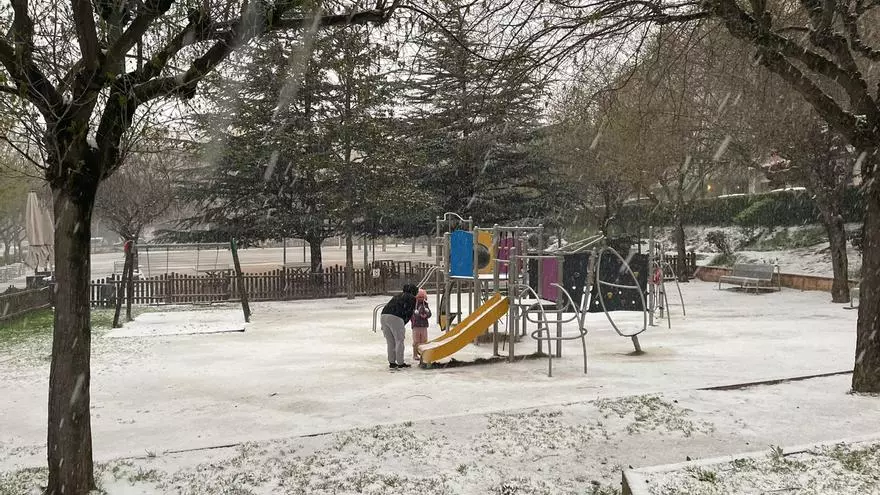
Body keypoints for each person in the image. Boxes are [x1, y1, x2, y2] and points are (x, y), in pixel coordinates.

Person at [381, 284, 418, 369]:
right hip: (396, 317)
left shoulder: (397, 295)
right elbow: (409, 312)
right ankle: (400, 363)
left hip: (384, 315)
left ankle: (392, 362)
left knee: (390, 341)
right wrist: (403, 323)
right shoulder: (412, 298)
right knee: (399, 341)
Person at [410, 289, 432, 360]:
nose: (420, 299)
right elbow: (411, 314)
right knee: (416, 341)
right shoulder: (413, 305)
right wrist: (417, 315)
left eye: (422, 297)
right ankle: (415, 354)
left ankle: (423, 353)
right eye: (419, 297)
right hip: (416, 325)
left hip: (424, 325)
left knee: (424, 340)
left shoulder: (425, 305)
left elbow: (429, 314)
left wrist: (426, 314)